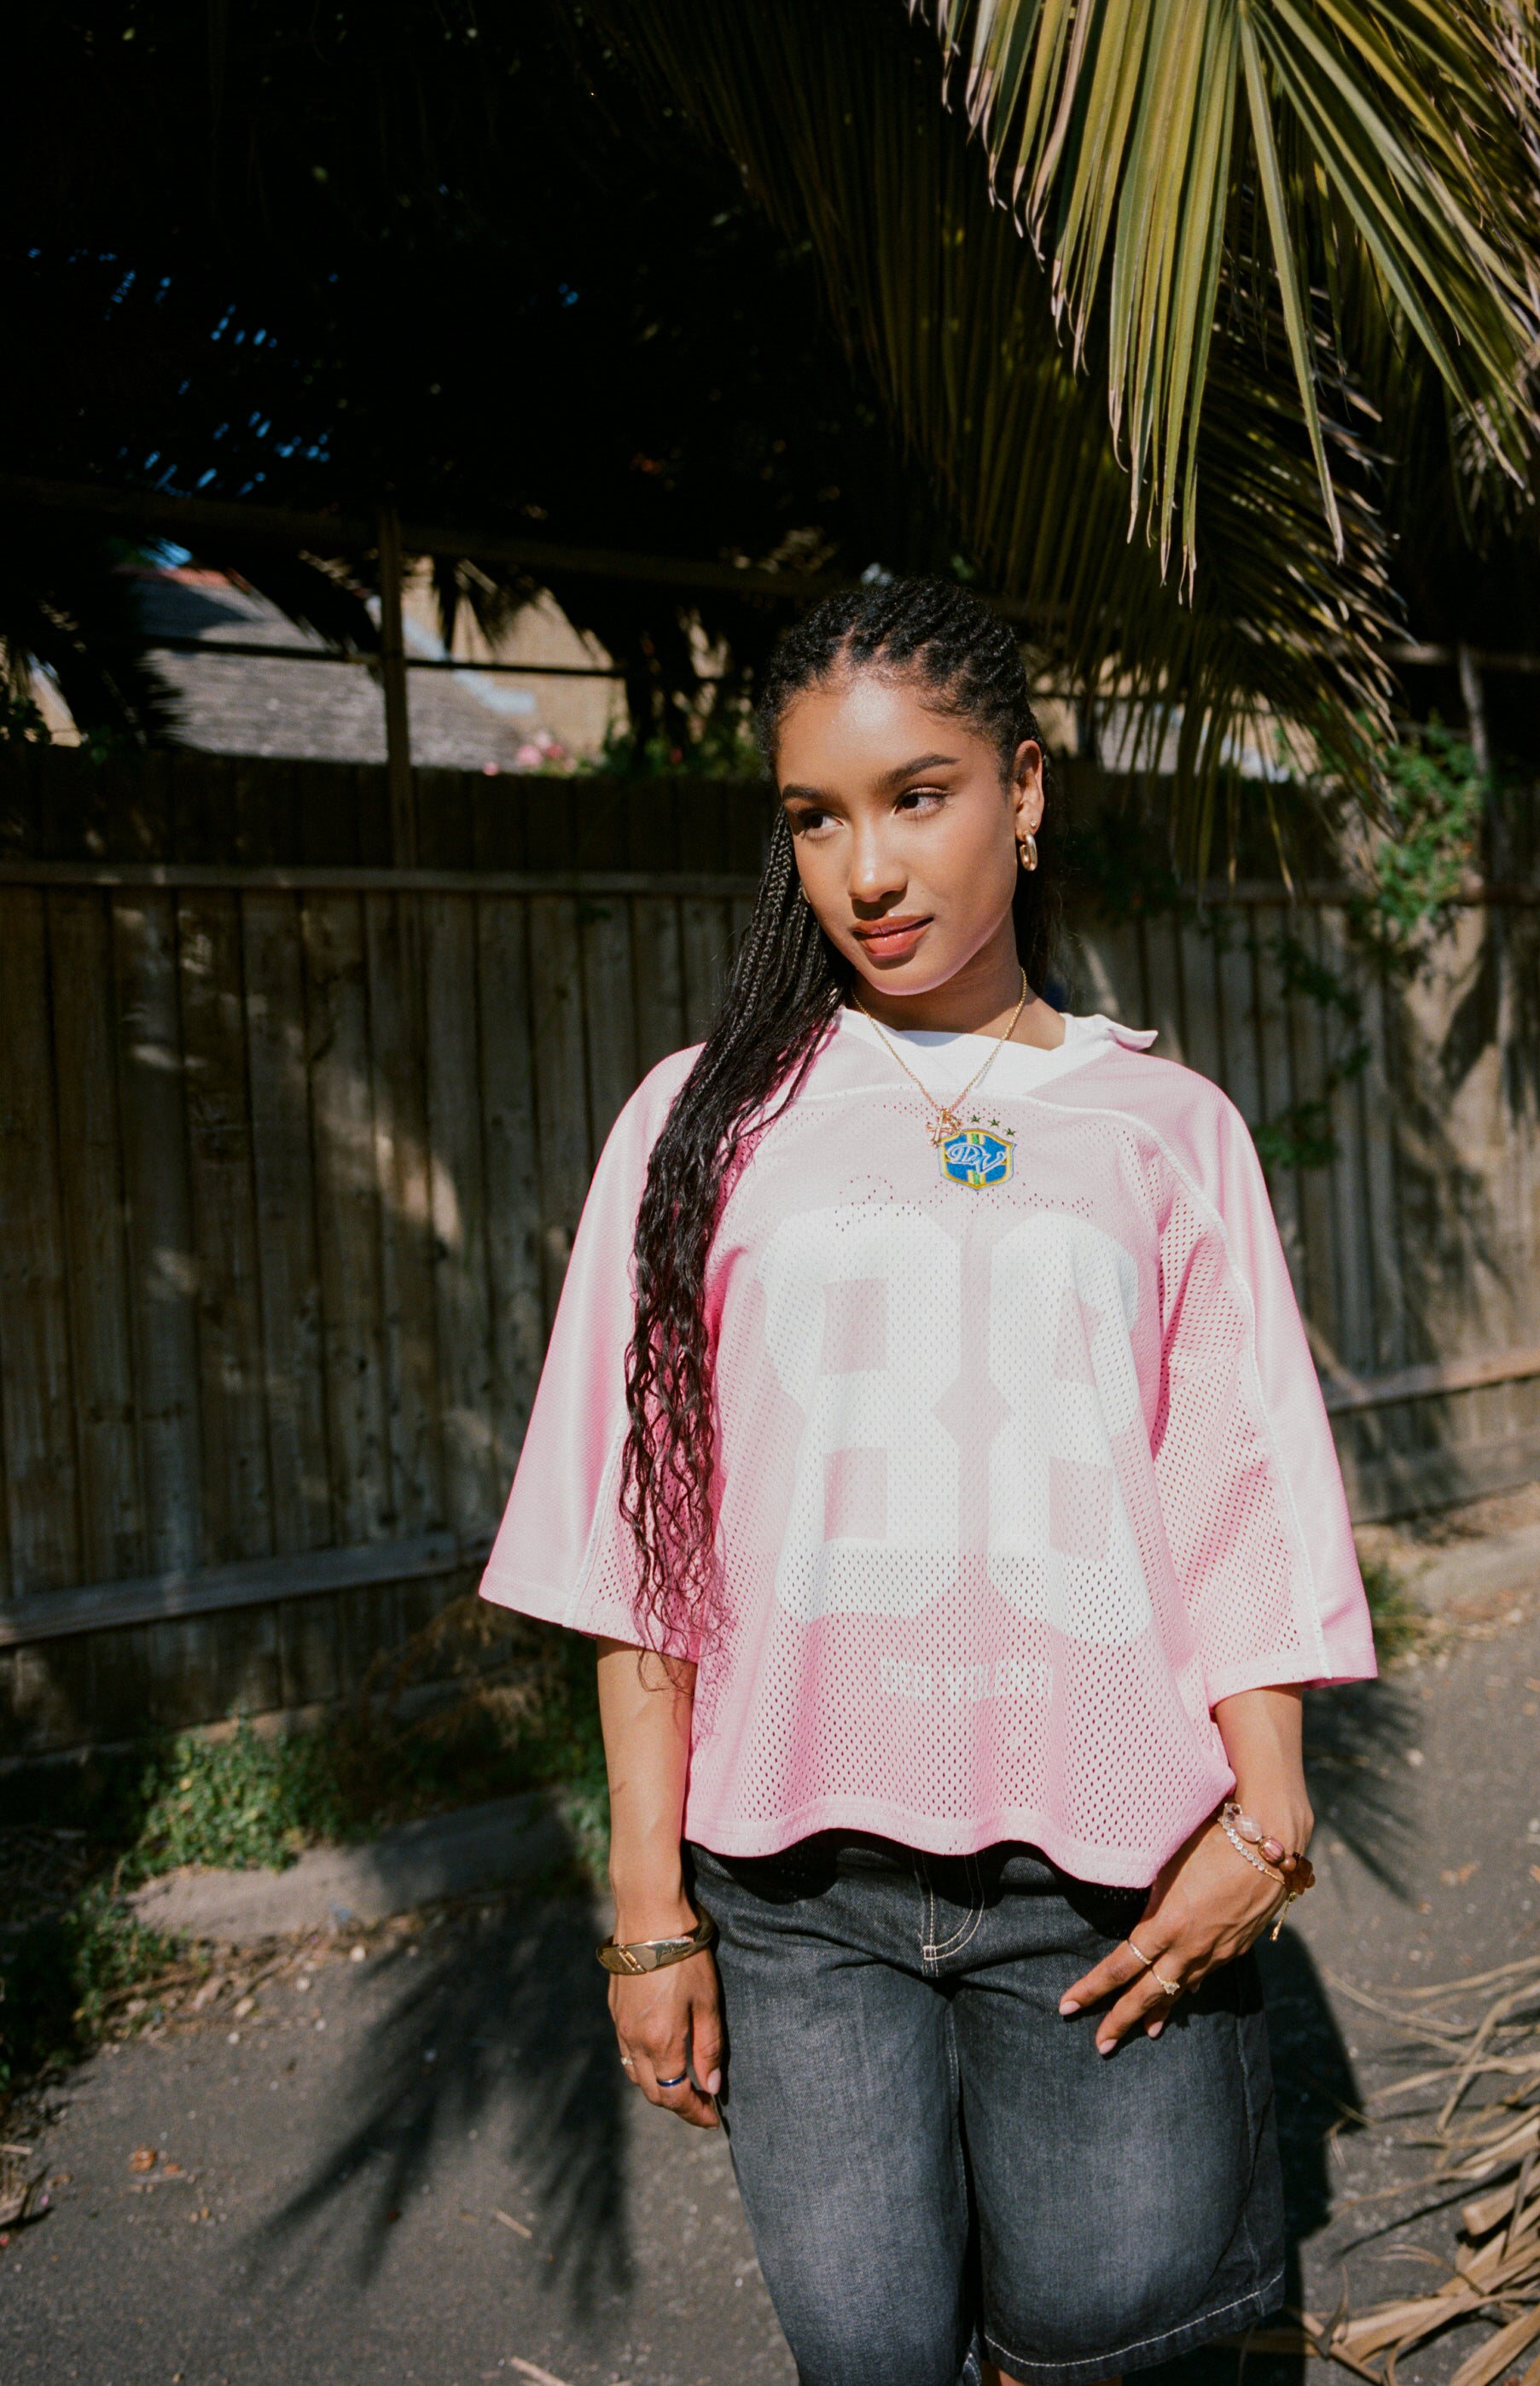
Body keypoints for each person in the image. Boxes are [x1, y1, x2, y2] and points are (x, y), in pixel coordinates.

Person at [480, 579, 1375, 2386]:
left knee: (1110, 2343)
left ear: (1024, 792)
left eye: (917, 796)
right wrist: (648, 1916)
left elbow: (1239, 1499)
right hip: (794, 1903)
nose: (868, 871)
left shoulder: (1166, 1129)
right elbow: (646, 1548)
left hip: (1105, 1883)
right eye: (816, 818)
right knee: (870, 2358)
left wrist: (1266, 1824)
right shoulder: (698, 1125)